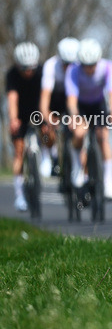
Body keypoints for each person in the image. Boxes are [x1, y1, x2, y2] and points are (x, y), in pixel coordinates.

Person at [65, 39, 112, 199]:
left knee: (103, 137)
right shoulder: (73, 70)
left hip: (98, 105)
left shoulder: (108, 67)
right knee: (79, 133)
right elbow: (72, 99)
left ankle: (109, 182)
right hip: (81, 106)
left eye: (92, 65)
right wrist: (74, 116)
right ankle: (77, 167)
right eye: (86, 65)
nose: (89, 69)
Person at [6, 42, 42, 211]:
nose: (28, 72)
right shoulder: (12, 75)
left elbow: (46, 95)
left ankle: (49, 158)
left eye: (31, 68)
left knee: (49, 133)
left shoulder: (42, 72)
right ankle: (19, 195)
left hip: (38, 111)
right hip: (20, 114)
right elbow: (12, 99)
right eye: (24, 68)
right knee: (19, 150)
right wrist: (13, 119)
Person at [38, 37, 79, 176]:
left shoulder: (80, 67)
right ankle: (47, 154)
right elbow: (45, 97)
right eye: (65, 64)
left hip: (73, 97)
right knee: (45, 126)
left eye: (72, 64)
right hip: (54, 97)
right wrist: (47, 116)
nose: (68, 67)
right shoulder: (50, 65)